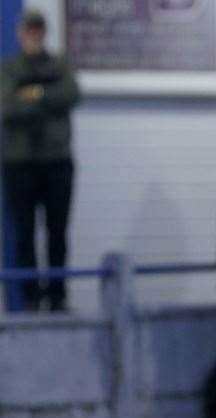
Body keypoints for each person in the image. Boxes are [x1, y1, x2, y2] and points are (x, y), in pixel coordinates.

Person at [1, 10, 80, 312]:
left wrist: (32, 93)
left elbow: (72, 94)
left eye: (39, 30)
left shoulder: (59, 64)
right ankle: (31, 297)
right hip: (19, 163)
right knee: (24, 234)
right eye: (29, 30)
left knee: (57, 233)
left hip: (57, 162)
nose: (34, 35)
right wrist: (47, 97)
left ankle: (58, 295)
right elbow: (8, 107)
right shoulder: (7, 68)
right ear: (20, 33)